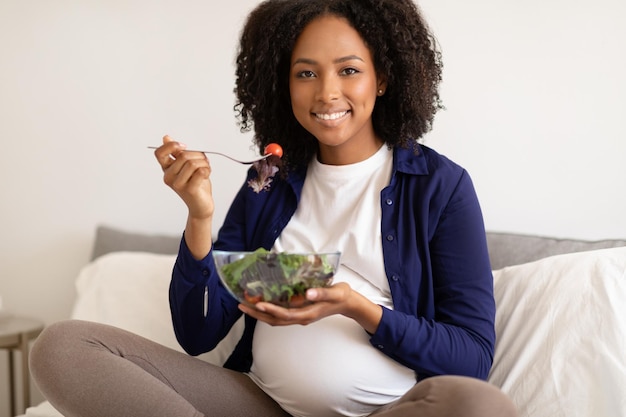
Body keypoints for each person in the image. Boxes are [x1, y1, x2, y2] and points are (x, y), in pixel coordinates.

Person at [30, 1, 518, 416]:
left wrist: (359, 308)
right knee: (63, 348)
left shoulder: (440, 187)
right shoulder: (270, 181)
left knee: (479, 404)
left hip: (388, 410)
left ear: (383, 78)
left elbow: (472, 358)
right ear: (284, 85)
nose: (327, 93)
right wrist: (200, 216)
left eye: (349, 70)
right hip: (260, 403)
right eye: (306, 73)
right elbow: (199, 332)